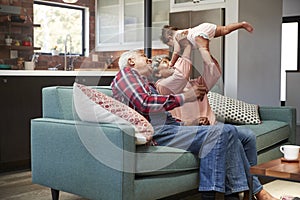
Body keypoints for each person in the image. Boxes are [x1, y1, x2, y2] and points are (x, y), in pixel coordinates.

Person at [111, 50, 274, 200]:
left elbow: (163, 117)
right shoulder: (126, 75)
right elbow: (145, 103)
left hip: (169, 129)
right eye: (142, 56)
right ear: (131, 61)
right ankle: (242, 193)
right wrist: (186, 97)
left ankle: (245, 192)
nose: (148, 58)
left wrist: (190, 123)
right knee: (223, 132)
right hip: (157, 134)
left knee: (244, 136)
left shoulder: (145, 83)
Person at [160, 21, 254, 90]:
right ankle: (242, 24)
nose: (171, 47)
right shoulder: (182, 32)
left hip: (197, 35)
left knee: (204, 50)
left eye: (169, 45)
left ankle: (210, 64)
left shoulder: (176, 37)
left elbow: (176, 52)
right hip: (204, 27)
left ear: (169, 38)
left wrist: (172, 62)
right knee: (225, 29)